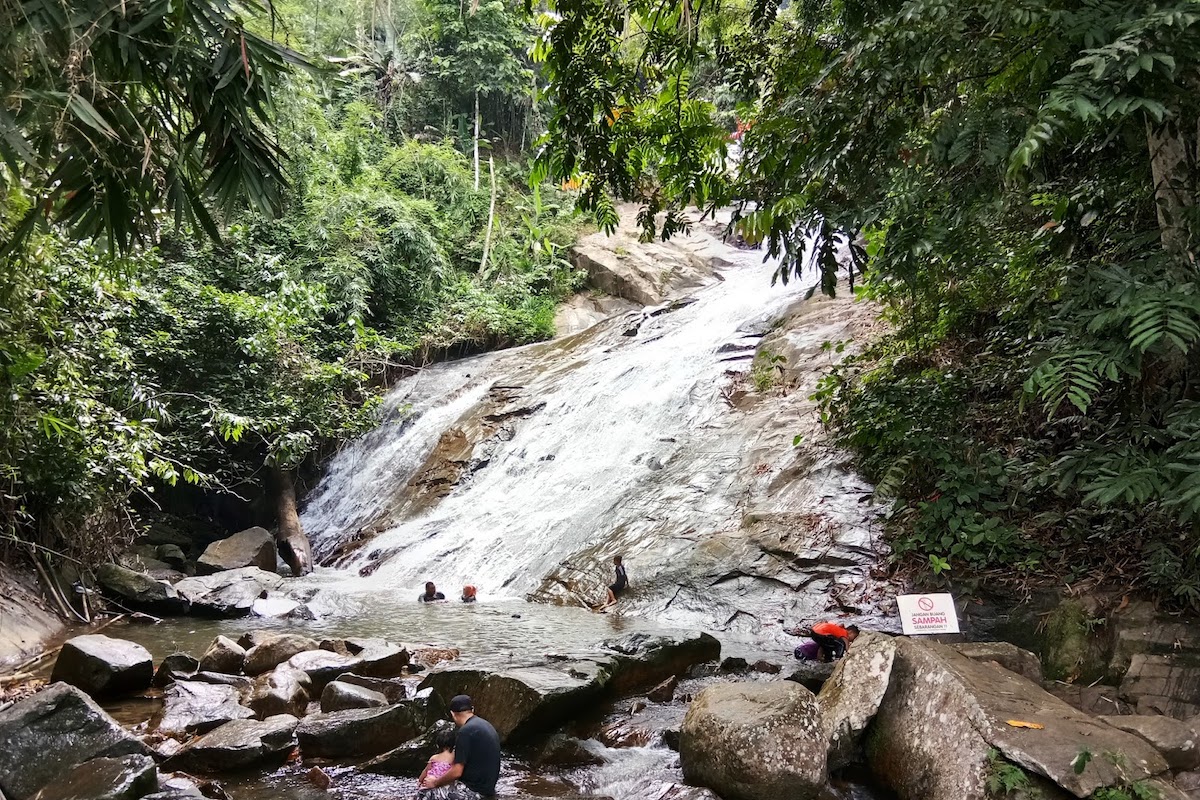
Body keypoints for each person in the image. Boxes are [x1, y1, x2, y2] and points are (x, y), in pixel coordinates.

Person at [420, 694, 501, 800]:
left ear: (453, 714)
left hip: (474, 791)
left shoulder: (465, 732)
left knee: (425, 793)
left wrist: (435, 783)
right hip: (488, 788)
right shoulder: (486, 725)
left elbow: (457, 771)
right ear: (472, 710)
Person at [417, 726, 458, 797]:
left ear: (438, 744)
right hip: (443, 787)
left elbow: (426, 771)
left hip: (428, 785)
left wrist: (419, 781)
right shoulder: (454, 757)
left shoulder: (434, 758)